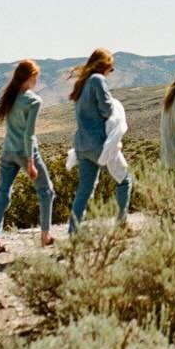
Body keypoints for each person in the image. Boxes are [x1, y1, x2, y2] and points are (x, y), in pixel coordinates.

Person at [0, 59, 55, 255]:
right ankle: (45, 236)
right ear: (32, 77)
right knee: (46, 191)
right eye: (37, 76)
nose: (37, 80)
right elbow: (29, 134)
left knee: (3, 194)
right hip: (25, 152)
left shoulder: (10, 97)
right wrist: (30, 162)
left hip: (7, 151)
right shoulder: (33, 100)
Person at [68, 48, 133, 232]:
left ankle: (74, 232)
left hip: (81, 144)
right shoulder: (97, 80)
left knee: (84, 191)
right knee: (124, 179)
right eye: (110, 69)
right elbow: (106, 109)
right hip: (100, 144)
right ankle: (122, 224)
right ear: (104, 66)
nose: (110, 73)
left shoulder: (81, 84)